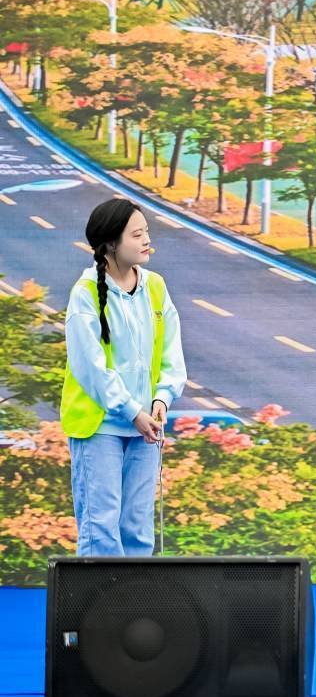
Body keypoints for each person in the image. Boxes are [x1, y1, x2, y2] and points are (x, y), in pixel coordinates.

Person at [62, 197, 185, 556]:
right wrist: (132, 411)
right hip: (100, 425)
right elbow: (91, 369)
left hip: (146, 427)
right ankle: (98, 596)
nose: (147, 240)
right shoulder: (85, 294)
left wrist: (162, 399)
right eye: (136, 234)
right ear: (111, 244)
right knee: (101, 528)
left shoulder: (156, 286)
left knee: (137, 528)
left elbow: (171, 354)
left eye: (146, 232)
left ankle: (136, 595)